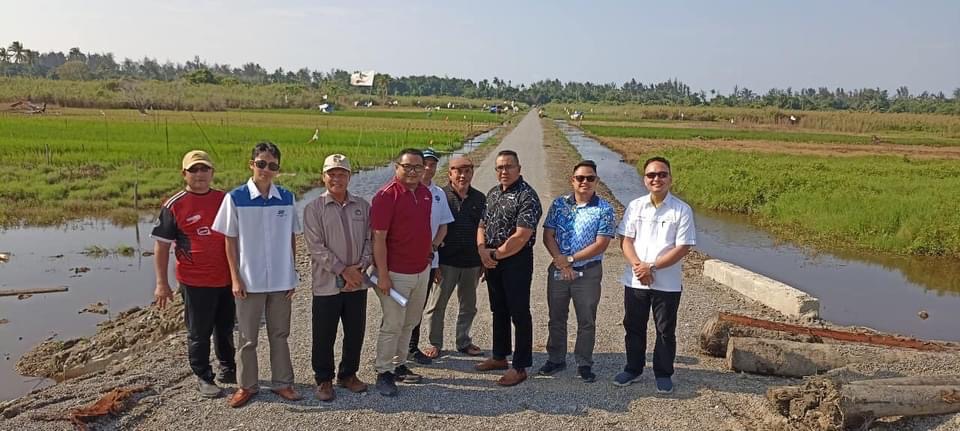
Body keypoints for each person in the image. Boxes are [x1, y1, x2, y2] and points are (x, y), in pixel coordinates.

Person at [212, 142, 303, 408]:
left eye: (272, 166)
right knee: (247, 337)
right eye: (261, 164)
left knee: (280, 334)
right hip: (249, 280)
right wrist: (235, 278)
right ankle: (247, 386)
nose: (266, 169)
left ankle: (282, 383)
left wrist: (292, 273)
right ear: (251, 164)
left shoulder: (286, 197)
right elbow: (229, 240)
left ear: (278, 169)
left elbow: (291, 237)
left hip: (281, 279)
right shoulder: (235, 198)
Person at [151, 150, 235, 398]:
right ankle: (203, 376)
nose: (200, 174)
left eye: (204, 169)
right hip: (195, 281)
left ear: (212, 172)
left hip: (227, 278)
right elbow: (161, 246)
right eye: (194, 170)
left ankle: (228, 368)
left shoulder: (225, 199)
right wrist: (161, 283)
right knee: (199, 332)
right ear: (184, 173)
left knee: (226, 327)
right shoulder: (174, 205)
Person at [613, 156, 696, 394]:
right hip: (636, 279)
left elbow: (683, 247)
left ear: (670, 178)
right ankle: (633, 369)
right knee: (634, 326)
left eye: (662, 174)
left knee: (665, 330)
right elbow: (626, 240)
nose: (656, 179)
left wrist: (652, 267)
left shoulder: (682, 210)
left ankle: (663, 373)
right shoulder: (635, 206)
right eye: (651, 175)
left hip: (667, 283)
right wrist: (639, 266)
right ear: (644, 179)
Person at [302, 154, 372, 402]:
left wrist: (361, 265)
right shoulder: (313, 208)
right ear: (323, 177)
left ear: (349, 177)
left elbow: (370, 239)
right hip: (327, 284)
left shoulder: (362, 206)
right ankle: (324, 379)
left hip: (357, 283)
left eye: (342, 174)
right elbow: (316, 247)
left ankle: (348, 374)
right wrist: (343, 270)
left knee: (355, 331)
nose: (337, 179)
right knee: (324, 334)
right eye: (332, 174)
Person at [538, 160, 615, 383]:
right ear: (572, 180)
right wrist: (562, 263)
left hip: (588, 272)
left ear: (596, 181)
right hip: (559, 270)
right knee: (556, 317)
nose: (585, 182)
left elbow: (601, 244)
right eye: (580, 178)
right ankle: (556, 358)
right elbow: (548, 235)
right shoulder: (559, 204)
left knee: (586, 320)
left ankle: (584, 363)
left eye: (590, 178)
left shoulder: (605, 209)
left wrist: (571, 260)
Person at [475, 150, 542, 387]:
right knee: (498, 309)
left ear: (518, 168)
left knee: (519, 312)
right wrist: (483, 251)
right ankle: (499, 356)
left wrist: (495, 254)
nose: (504, 171)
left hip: (516, 260)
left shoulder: (527, 196)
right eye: (500, 167)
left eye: (509, 166)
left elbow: (521, 236)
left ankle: (520, 366)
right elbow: (481, 224)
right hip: (491, 258)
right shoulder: (493, 193)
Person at [370, 148, 433, 396]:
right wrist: (383, 275)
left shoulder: (425, 193)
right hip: (395, 273)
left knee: (410, 321)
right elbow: (378, 239)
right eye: (407, 166)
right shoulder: (386, 196)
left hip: (421, 270)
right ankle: (384, 371)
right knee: (393, 323)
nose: (413, 171)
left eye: (418, 167)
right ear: (397, 167)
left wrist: (428, 256)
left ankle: (399, 364)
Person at [422, 156, 485, 358]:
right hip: (445, 262)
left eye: (467, 171)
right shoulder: (440, 196)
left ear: (472, 173)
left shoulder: (480, 198)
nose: (462, 175)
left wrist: (483, 260)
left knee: (468, 306)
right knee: (437, 306)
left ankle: (463, 341)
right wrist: (435, 264)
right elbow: (434, 229)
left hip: (472, 262)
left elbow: (484, 229)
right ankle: (435, 343)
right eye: (458, 171)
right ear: (450, 173)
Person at [407, 148, 454, 365]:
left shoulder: (438, 194)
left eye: (432, 164)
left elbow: (444, 225)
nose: (428, 168)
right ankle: (393, 352)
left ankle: (411, 347)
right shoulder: (406, 190)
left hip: (429, 260)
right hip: (404, 261)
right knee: (398, 307)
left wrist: (433, 248)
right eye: (424, 164)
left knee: (418, 305)